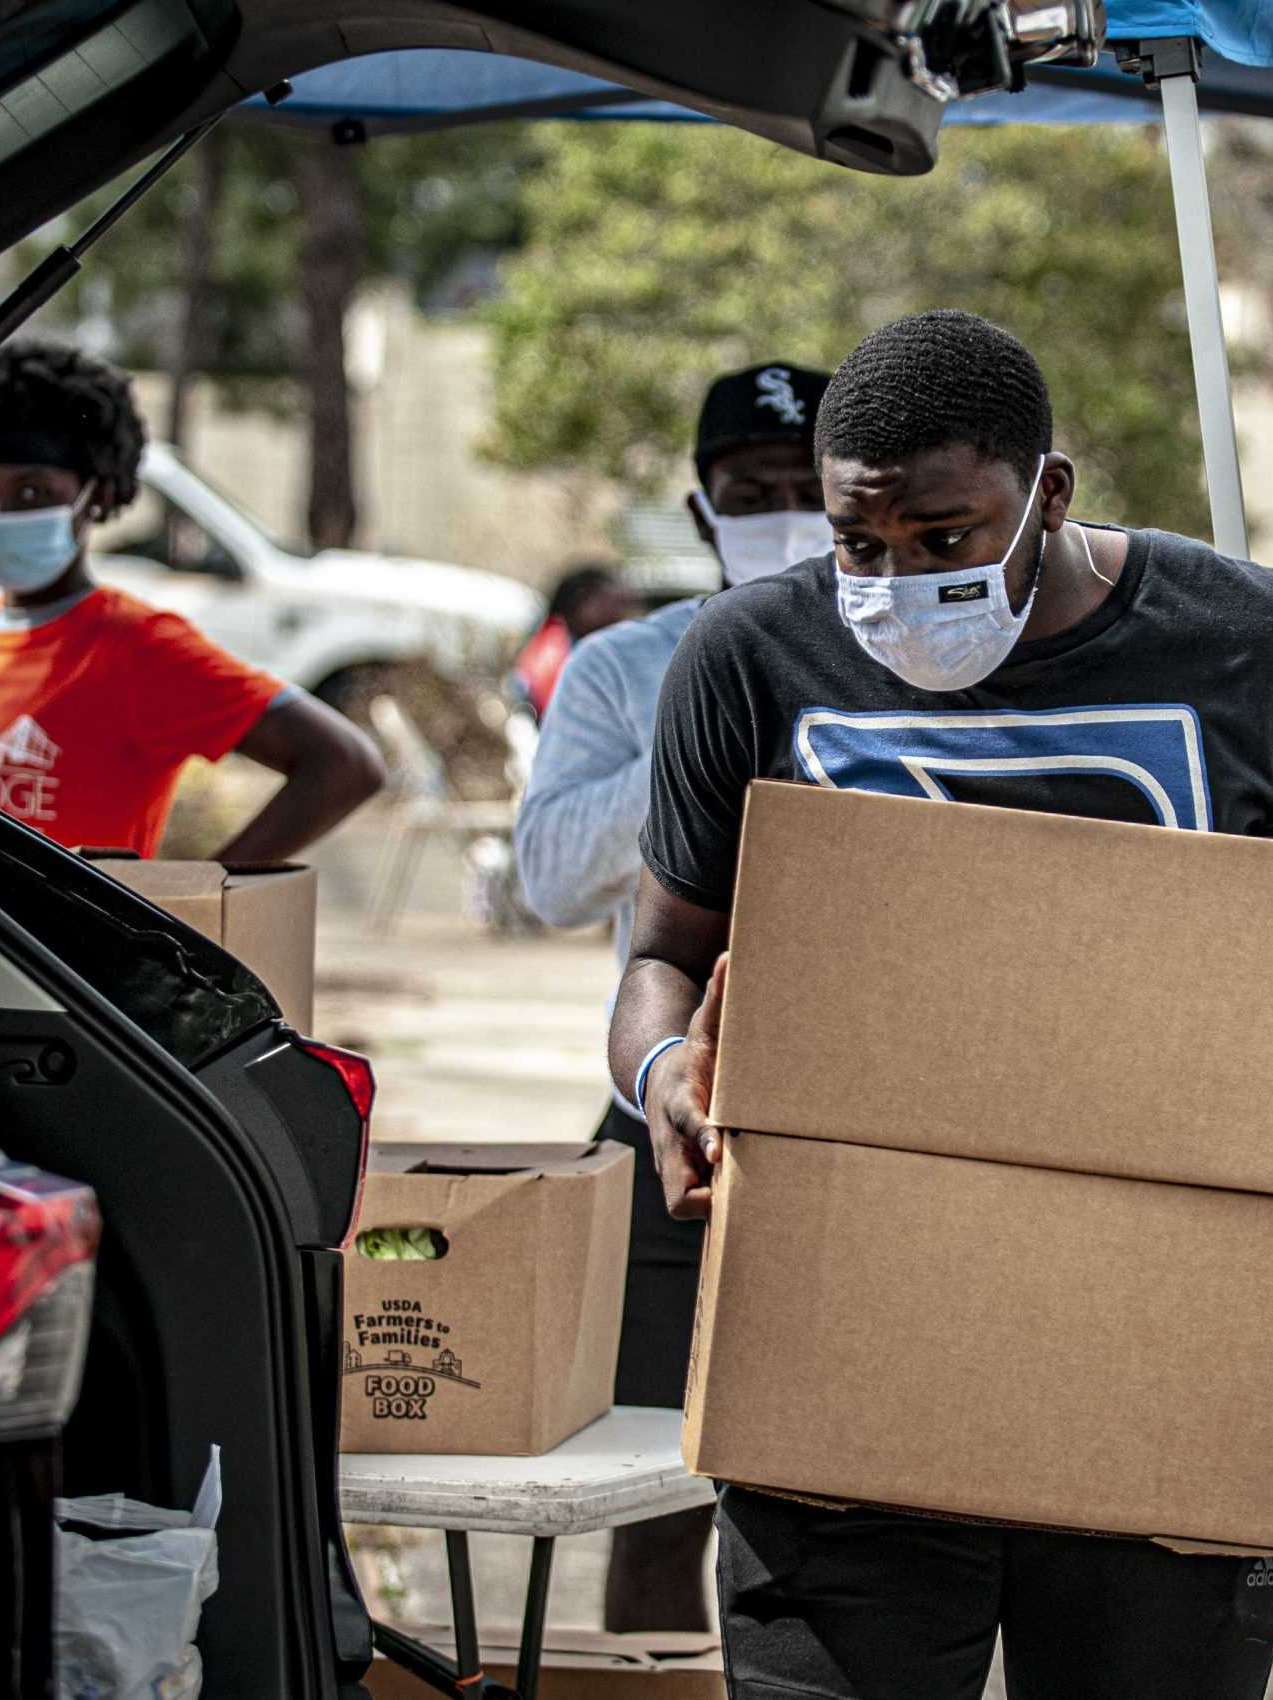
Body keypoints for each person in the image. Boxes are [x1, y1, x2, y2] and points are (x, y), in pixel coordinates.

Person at [608, 311, 1273, 1696]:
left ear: (1049, 494)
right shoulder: (751, 655)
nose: (895, 582)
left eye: (945, 540)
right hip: (843, 1369)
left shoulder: (1263, 647)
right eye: (857, 546)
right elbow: (662, 953)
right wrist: (663, 1077)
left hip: (1178, 1374)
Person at [511, 359, 832, 1632]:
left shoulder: (919, 660)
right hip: (669, 1117)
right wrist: (712, 710)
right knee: (653, 1481)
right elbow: (546, 876)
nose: (782, 511)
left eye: (809, 487)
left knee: (842, 1498)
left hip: (861, 1132)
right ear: (700, 511)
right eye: (750, 490)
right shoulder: (622, 668)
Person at [0, 342, 384, 859]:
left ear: (94, 497)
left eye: (32, 492)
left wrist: (196, 899)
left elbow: (345, 764)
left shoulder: (138, 649)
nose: (1, 515)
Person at [511, 563, 642, 722]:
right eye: (614, 605)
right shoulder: (557, 649)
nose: (620, 617)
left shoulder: (584, 644)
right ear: (582, 601)